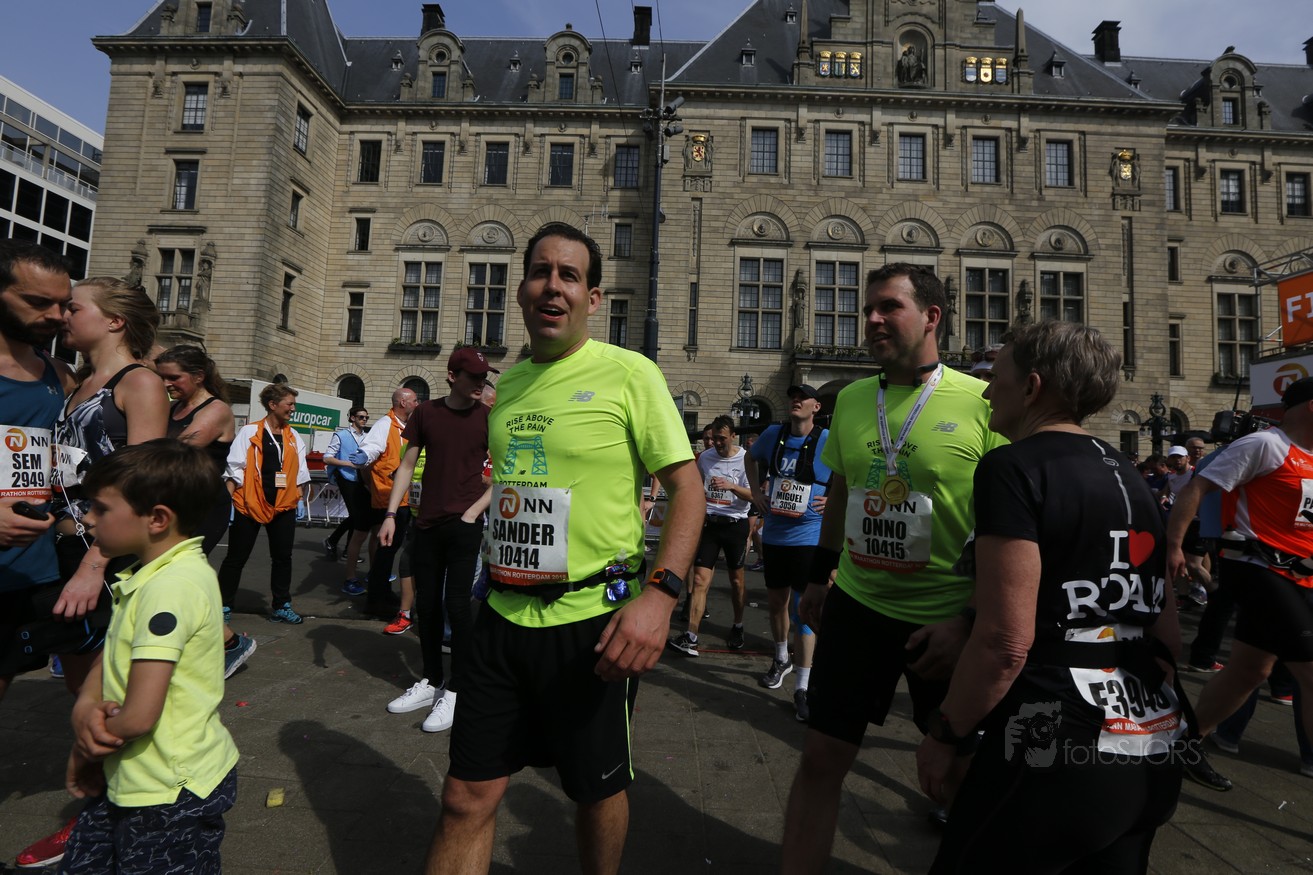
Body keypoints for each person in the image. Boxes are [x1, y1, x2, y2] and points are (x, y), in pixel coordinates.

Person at [426, 223, 703, 874]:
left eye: (569, 275)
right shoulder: (509, 386)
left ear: (593, 298)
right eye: (541, 272)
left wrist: (660, 596)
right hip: (501, 616)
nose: (553, 286)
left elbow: (686, 488)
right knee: (465, 796)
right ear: (521, 290)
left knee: (594, 791)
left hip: (590, 625)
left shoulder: (630, 374)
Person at [917, 320, 1185, 872]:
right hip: (1150, 741)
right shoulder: (1129, 474)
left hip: (1050, 737)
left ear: (1032, 387)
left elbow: (1005, 643)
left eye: (997, 377)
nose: (987, 392)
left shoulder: (1012, 467)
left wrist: (946, 733)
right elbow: (1166, 630)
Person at [780, 263, 1003, 872]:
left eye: (888, 308)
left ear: (932, 316)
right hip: (859, 606)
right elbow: (843, 493)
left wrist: (972, 619)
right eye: (867, 309)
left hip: (944, 621)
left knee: (958, 775)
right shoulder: (852, 399)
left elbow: (1008, 525)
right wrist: (820, 578)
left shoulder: (983, 402)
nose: (872, 319)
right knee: (819, 761)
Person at [61, 439, 239, 873]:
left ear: (157, 519)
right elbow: (118, 648)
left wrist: (88, 747)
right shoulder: (152, 574)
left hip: (166, 792)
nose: (88, 518)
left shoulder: (170, 588)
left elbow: (139, 716)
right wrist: (87, 703)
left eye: (101, 508)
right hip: (136, 777)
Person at [1168, 376, 1313, 785]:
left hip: (1300, 577)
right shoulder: (1266, 445)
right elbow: (1197, 488)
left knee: (1250, 671)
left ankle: (1185, 744)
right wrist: (1174, 546)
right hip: (1258, 569)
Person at [0, 242, 84, 872]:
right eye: (38, 302)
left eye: (63, 304)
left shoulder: (60, 375)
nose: (56, 316)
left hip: (37, 573)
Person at [376, 350, 494, 733]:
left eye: (483, 376)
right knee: (426, 605)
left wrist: (473, 512)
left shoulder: (488, 418)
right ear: (452, 376)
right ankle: (431, 680)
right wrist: (391, 514)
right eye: (473, 376)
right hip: (427, 522)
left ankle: (458, 689)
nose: (480, 383)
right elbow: (407, 465)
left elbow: (508, 472)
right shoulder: (426, 413)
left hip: (465, 525)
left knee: (457, 606)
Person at [155, 345, 255, 678]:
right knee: (173, 578)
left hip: (205, 506)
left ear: (198, 376)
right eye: (162, 377)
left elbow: (173, 452)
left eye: (174, 377)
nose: (166, 384)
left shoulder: (215, 409)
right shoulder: (174, 407)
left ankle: (229, 643)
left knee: (179, 577)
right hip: (176, 503)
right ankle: (215, 642)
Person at [745, 384, 830, 722]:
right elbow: (750, 458)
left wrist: (833, 498)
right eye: (793, 396)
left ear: (816, 407)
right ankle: (781, 657)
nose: (796, 400)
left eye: (803, 397)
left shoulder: (826, 439)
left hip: (809, 536)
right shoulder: (772, 434)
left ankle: (803, 686)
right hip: (776, 535)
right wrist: (755, 492)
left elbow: (850, 471)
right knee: (776, 603)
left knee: (804, 610)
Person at [218, 382, 310, 624]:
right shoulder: (250, 432)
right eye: (289, 404)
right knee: (236, 557)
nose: (293, 408)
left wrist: (300, 498)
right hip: (249, 503)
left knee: (283, 558)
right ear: (273, 405)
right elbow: (235, 467)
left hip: (284, 506)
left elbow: (300, 471)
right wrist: (227, 502)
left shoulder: (293, 436)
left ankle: (281, 605)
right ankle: (223, 605)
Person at [669, 415, 753, 656]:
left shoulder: (745, 458)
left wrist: (731, 486)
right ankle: (691, 636)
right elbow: (695, 487)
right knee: (699, 581)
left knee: (736, 582)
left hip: (735, 525)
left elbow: (754, 495)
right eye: (714, 438)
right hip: (711, 525)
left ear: (733, 436)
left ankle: (738, 625)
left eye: (722, 438)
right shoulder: (705, 458)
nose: (716, 443)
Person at [355, 387, 419, 616]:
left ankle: (382, 591)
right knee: (386, 550)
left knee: (389, 551)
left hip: (401, 497)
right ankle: (375, 601)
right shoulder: (385, 424)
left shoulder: (404, 426)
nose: (417, 404)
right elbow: (371, 448)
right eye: (414, 400)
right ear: (402, 402)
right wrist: (364, 456)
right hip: (389, 498)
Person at [321, 406, 371, 594]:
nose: (364, 420)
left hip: (362, 480)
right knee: (357, 516)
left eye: (366, 417)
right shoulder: (341, 435)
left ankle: (335, 542)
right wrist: (348, 463)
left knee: (359, 516)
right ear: (352, 418)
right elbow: (327, 458)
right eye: (361, 417)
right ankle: (345, 550)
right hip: (346, 478)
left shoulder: (367, 437)